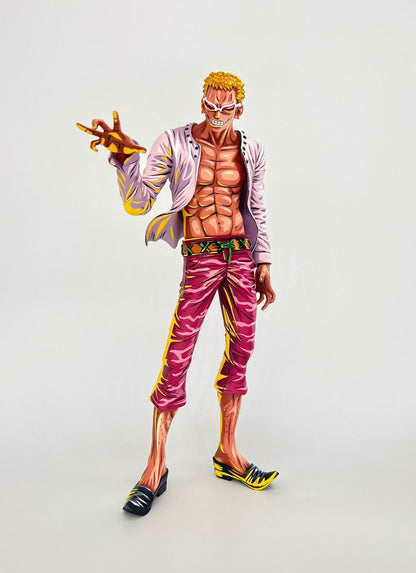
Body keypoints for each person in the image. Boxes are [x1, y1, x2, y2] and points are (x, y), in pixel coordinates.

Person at [77, 71, 278, 516]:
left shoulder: (252, 150)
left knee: (243, 347)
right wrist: (124, 158)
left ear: (239, 109)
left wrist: (263, 261)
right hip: (201, 256)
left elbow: (256, 207)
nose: (216, 114)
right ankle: (155, 467)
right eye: (210, 105)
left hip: (240, 255)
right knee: (179, 352)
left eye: (225, 108)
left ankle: (228, 452)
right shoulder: (175, 142)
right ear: (202, 102)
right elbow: (139, 201)